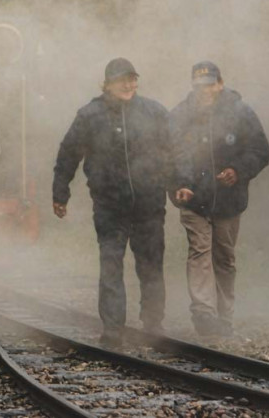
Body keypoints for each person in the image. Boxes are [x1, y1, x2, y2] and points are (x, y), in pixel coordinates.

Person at [52, 58, 171, 347]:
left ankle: (153, 324)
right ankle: (114, 329)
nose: (128, 85)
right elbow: (68, 154)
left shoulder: (154, 112)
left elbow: (173, 152)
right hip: (110, 206)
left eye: (132, 79)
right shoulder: (89, 116)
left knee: (151, 264)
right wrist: (60, 192)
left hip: (148, 203)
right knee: (111, 265)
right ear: (107, 84)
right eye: (121, 80)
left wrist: (180, 187)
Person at [169, 61, 269, 337]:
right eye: (200, 85)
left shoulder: (241, 112)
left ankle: (225, 317)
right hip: (194, 199)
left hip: (229, 200)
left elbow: (261, 150)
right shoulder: (179, 115)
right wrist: (180, 184)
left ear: (220, 83)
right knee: (199, 251)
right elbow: (170, 155)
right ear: (193, 86)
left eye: (210, 84)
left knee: (224, 258)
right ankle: (203, 312)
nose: (205, 90)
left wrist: (238, 171)